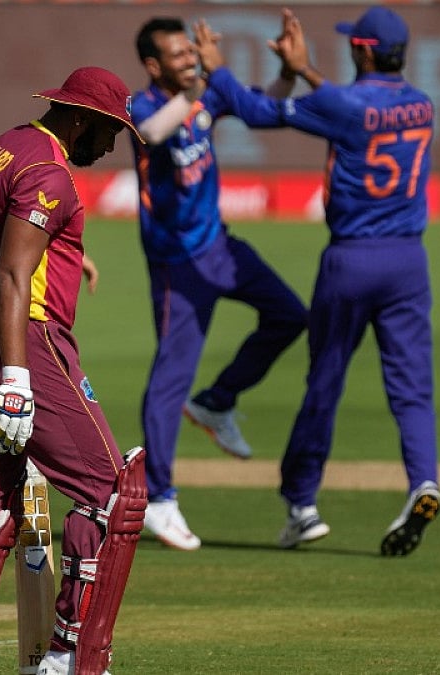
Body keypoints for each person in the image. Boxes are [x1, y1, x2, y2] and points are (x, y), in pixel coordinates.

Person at [0, 66, 147, 675]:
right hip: (23, 340)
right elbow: (11, 274)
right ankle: (70, 656)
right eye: (107, 132)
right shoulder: (50, 170)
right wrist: (17, 379)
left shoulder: (7, 145)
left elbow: (6, 246)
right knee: (115, 498)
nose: (108, 148)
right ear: (79, 118)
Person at [200, 6, 440, 555]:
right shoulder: (423, 105)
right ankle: (423, 480)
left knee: (326, 382)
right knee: (413, 389)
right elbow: (350, 106)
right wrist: (309, 73)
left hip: (352, 261)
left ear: (361, 50)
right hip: (409, 261)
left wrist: (220, 69)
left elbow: (255, 112)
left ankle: (302, 502)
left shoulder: (341, 105)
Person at [128, 16, 308, 551]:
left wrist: (286, 72)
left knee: (291, 316)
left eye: (193, 51)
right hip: (176, 262)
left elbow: (263, 106)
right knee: (169, 377)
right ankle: (158, 499)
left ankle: (218, 400)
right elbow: (156, 133)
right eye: (178, 54)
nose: (189, 58)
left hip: (219, 247)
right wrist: (200, 85)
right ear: (154, 65)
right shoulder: (141, 105)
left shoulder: (205, 93)